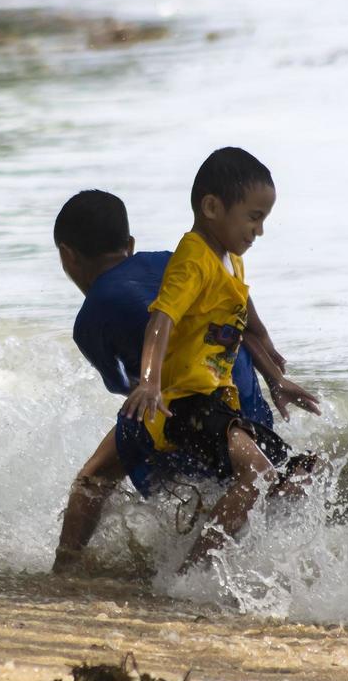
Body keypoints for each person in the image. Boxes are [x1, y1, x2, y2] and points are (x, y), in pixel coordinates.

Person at [51, 188, 317, 575]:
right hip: (246, 399)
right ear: (130, 244)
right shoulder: (181, 260)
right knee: (258, 468)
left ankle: (65, 568)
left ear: (67, 255)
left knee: (95, 475)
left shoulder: (91, 317)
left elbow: (127, 388)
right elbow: (239, 320)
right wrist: (274, 377)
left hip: (188, 403)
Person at [121, 147, 320, 570]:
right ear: (212, 207)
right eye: (253, 217)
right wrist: (150, 381)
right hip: (182, 405)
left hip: (218, 404)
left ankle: (269, 566)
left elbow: (241, 323)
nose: (259, 231)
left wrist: (274, 379)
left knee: (301, 474)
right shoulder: (193, 258)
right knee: (260, 474)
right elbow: (161, 318)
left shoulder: (230, 262)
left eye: (263, 219)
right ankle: (193, 572)